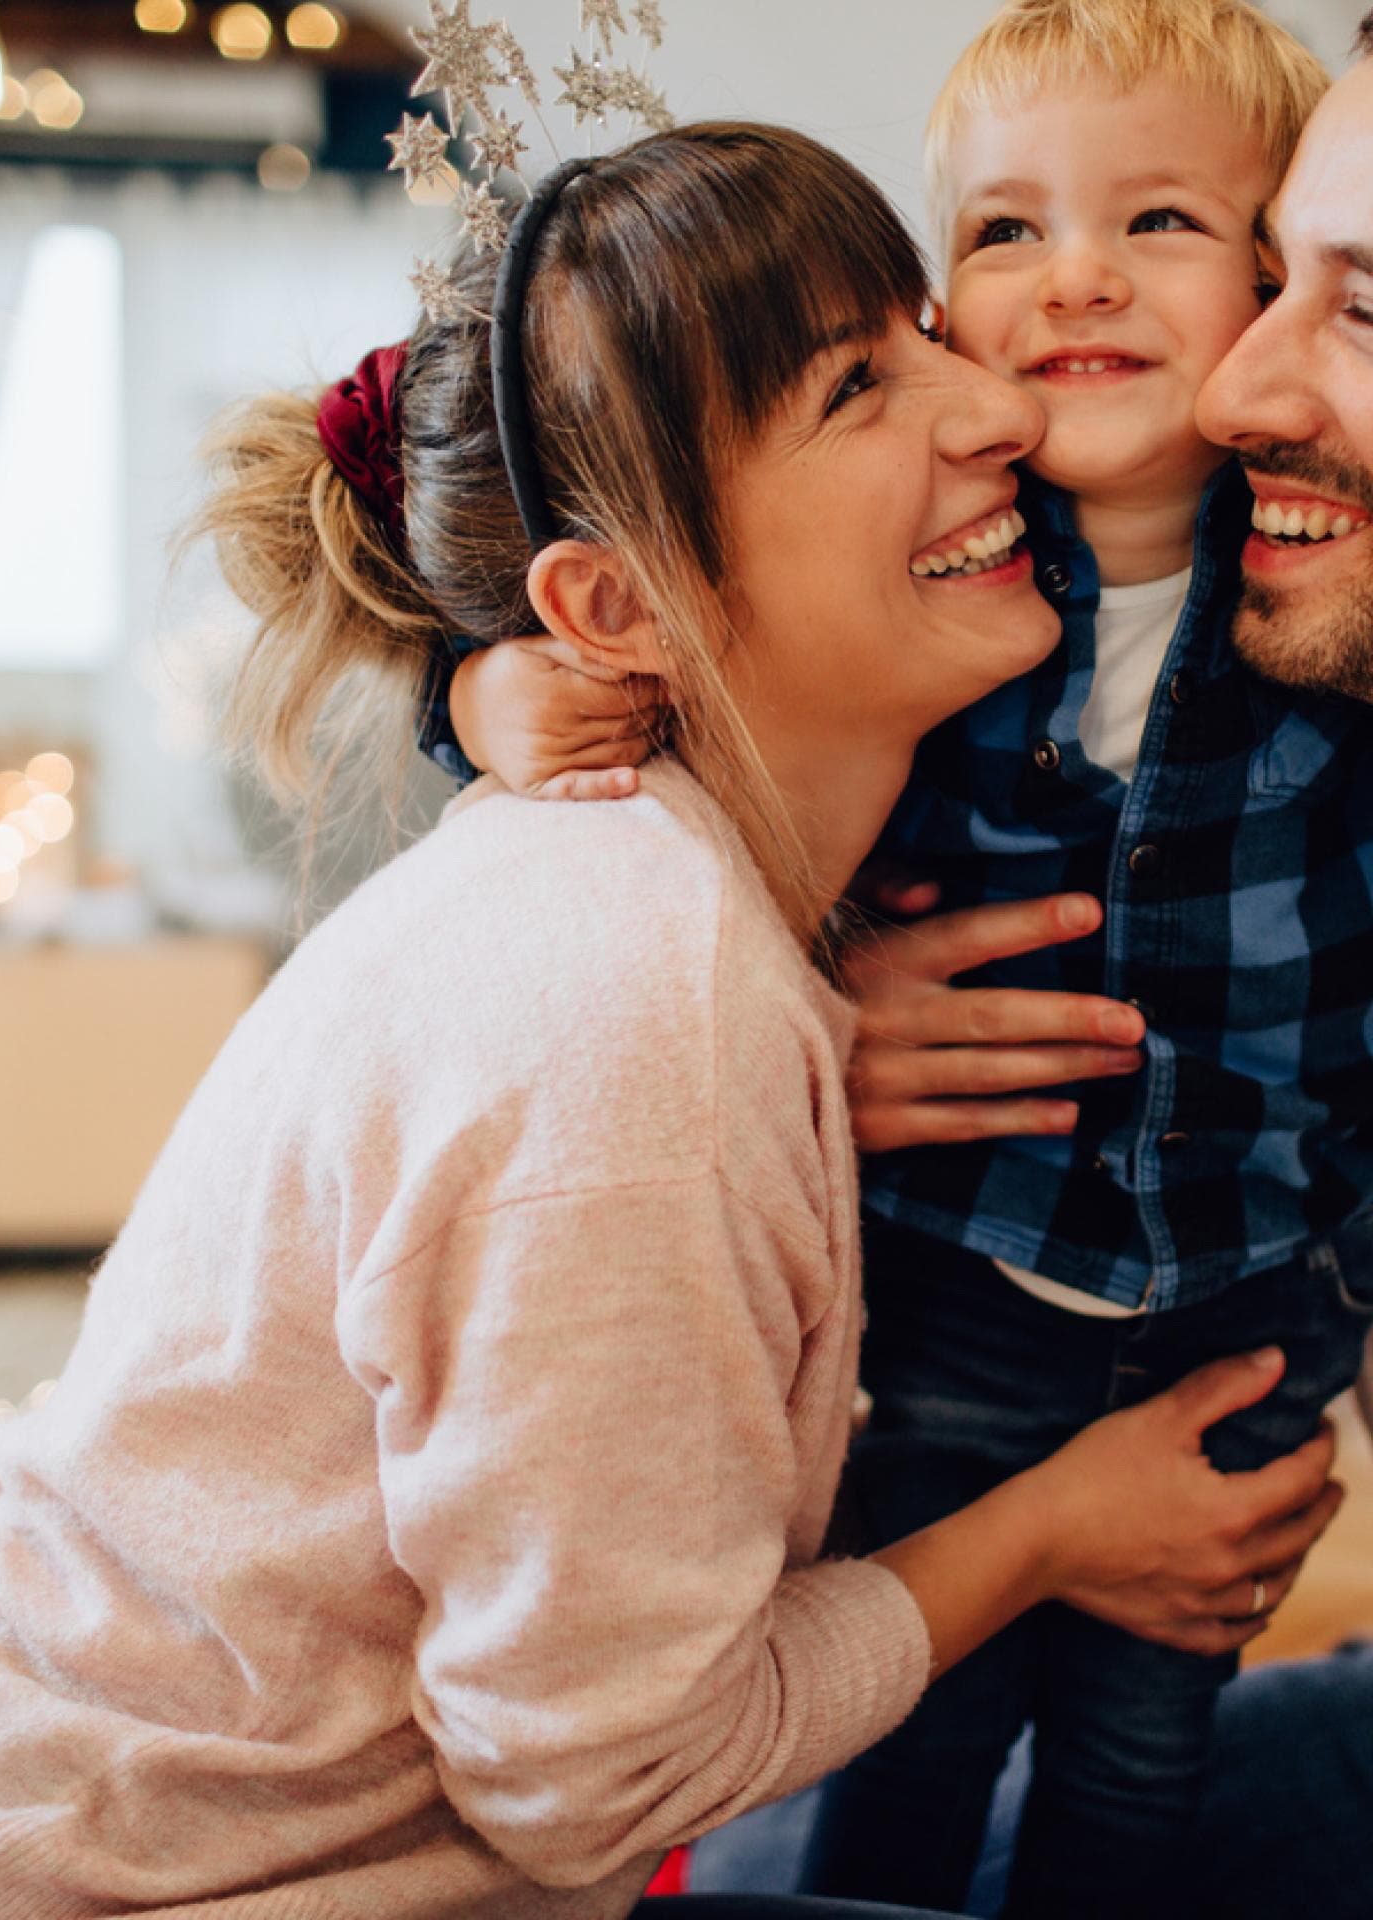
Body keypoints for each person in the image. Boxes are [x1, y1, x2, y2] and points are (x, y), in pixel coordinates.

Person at [0, 126, 1341, 1920]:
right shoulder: (632, 996)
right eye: (861, 388)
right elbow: (595, 1778)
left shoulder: (691, 883)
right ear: (614, 611)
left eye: (929, 331)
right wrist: (1058, 1529)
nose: (990, 408)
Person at [438, 6, 1373, 1915]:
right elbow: (661, 633)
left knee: (1145, 1748)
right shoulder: (933, 548)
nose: (1078, 278)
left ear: (1265, 279)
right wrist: (488, 694)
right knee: (906, 1717)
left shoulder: (1311, 569)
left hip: (1254, 1293)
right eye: (1005, 233)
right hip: (971, 1267)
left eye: (1168, 224)